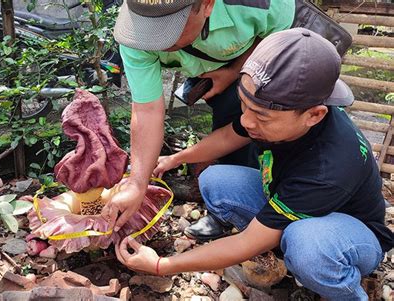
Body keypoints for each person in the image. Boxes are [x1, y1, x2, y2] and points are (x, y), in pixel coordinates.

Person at [114, 28, 394, 300]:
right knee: (215, 181)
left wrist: (162, 265)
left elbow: (246, 243)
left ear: (314, 115)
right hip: (294, 204)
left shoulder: (328, 167)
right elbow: (228, 136)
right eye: (243, 105)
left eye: (261, 116)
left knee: (307, 245)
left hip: (350, 235)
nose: (247, 121)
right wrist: (174, 159)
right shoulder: (281, 109)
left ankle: (343, 289)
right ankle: (284, 251)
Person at [102, 0, 297, 232]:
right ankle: (232, 214)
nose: (152, 40)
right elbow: (146, 110)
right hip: (215, 72)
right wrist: (137, 183)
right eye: (148, 26)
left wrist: (235, 71)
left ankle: (285, 212)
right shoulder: (137, 34)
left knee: (271, 134)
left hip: (259, 64)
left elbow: (274, 43)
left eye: (167, 27)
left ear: (207, 5)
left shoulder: (267, 4)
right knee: (234, 131)